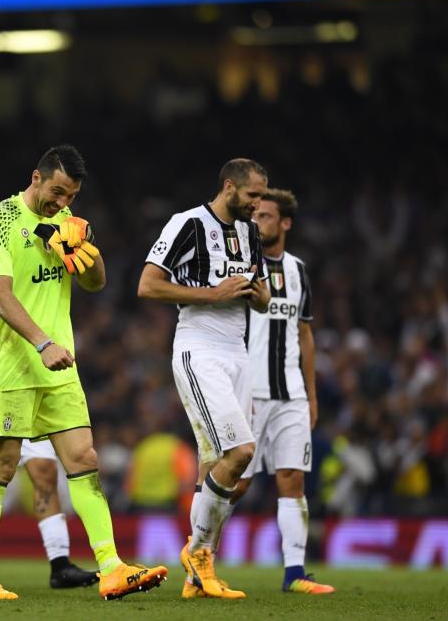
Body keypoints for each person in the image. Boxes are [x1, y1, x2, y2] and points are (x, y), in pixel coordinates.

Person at [0, 144, 167, 601]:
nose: (62, 203)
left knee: (84, 460)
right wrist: (42, 343)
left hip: (59, 365)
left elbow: (96, 283)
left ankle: (112, 567)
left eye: (71, 196)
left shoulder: (67, 223)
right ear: (36, 177)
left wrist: (87, 253)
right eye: (57, 192)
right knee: (0, 463)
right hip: (11, 364)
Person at [137, 157, 270, 599]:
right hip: (200, 347)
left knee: (224, 467)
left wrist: (259, 292)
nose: (257, 205)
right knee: (241, 451)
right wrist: (211, 294)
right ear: (229, 186)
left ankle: (198, 575)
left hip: (239, 351)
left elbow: (262, 300)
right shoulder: (188, 224)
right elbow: (148, 285)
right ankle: (198, 551)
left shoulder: (251, 233)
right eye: (252, 195)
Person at [0, 257, 96, 589]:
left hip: (40, 383)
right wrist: (22, 349)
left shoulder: (41, 259)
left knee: (45, 471)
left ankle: (60, 564)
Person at [230, 189, 334, 594]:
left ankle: (295, 573)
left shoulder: (298, 271)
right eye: (255, 216)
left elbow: (304, 333)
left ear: (285, 223)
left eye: (267, 216)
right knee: (236, 483)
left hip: (290, 393)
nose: (259, 222)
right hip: (249, 392)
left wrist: (310, 393)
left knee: (292, 479)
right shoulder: (239, 267)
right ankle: (200, 559)